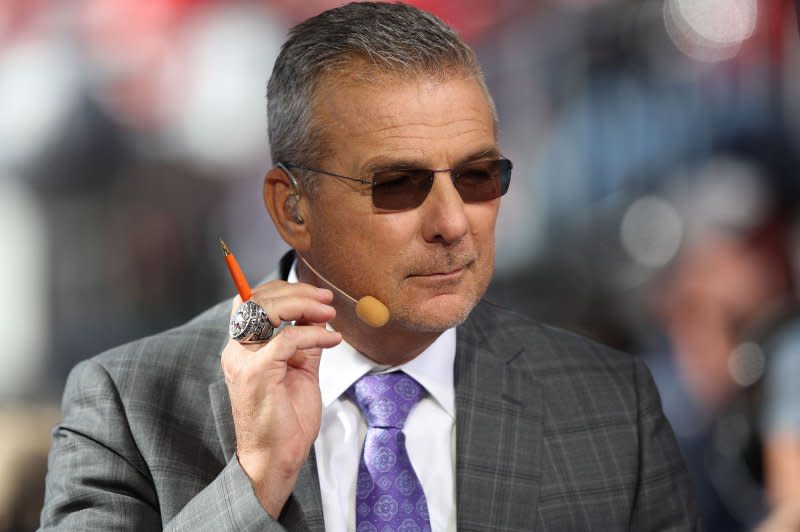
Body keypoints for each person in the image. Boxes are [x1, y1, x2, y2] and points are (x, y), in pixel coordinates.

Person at [40, 3, 700, 530]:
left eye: (477, 177)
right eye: (398, 185)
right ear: (292, 208)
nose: (451, 222)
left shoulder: (609, 404)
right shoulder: (129, 405)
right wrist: (255, 484)